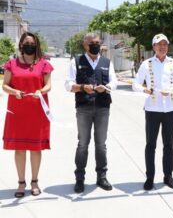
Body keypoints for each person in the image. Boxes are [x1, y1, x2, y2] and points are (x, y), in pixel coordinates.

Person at [65, 33, 118, 193]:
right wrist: (82, 87)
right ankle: (79, 179)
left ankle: (101, 177)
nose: (95, 45)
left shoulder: (107, 62)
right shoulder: (76, 62)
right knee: (83, 144)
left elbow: (114, 82)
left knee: (101, 145)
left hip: (103, 107)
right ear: (85, 45)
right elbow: (68, 85)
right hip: (83, 107)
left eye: (97, 42)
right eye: (91, 43)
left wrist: (106, 87)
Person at [2, 32, 53, 197]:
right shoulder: (11, 64)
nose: (29, 45)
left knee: (36, 148)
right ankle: (21, 183)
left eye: (32, 43)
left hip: (38, 112)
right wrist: (14, 91)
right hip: (17, 112)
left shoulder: (43, 64)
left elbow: (48, 86)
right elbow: (5, 85)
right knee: (19, 148)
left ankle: (35, 181)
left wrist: (40, 91)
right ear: (21, 45)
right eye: (26, 43)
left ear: (36, 45)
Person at [132, 34, 173, 191]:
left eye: (165, 44)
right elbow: (135, 84)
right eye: (159, 44)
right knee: (150, 144)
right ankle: (150, 177)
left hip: (170, 109)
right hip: (152, 110)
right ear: (153, 47)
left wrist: (172, 90)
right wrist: (144, 89)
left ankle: (168, 176)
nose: (162, 47)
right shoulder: (146, 64)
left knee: (169, 144)